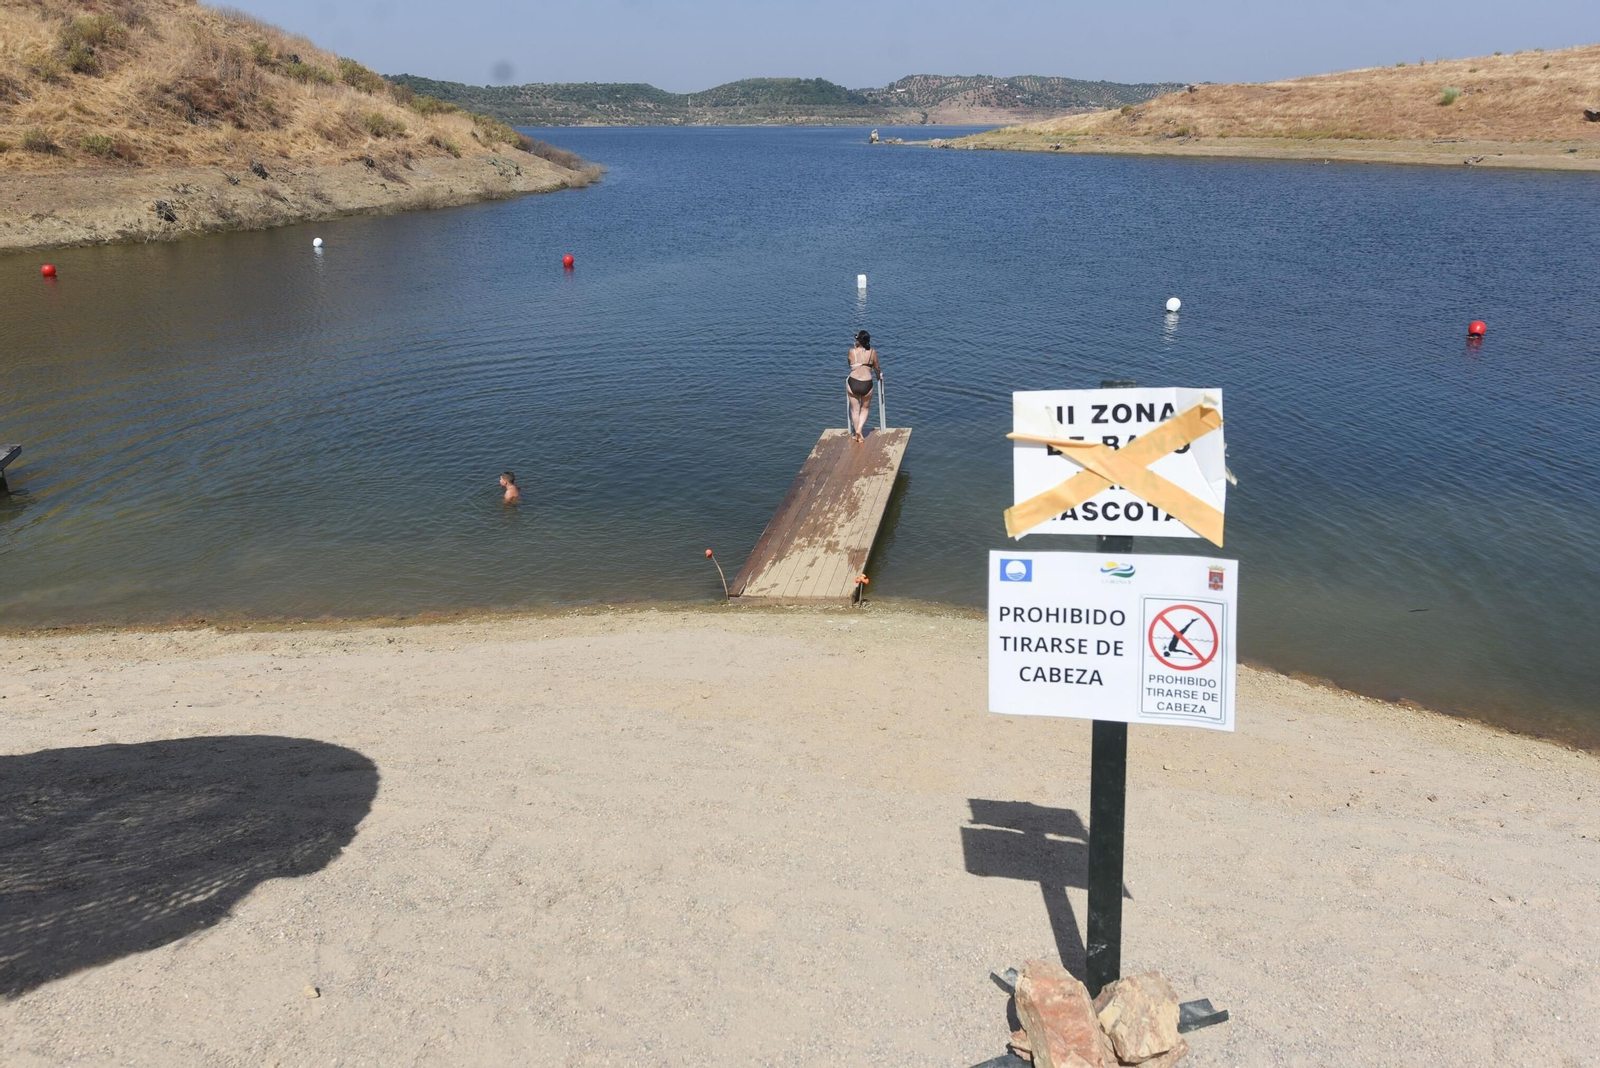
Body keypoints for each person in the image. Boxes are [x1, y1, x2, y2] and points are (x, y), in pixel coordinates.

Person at [845, 330, 883, 443]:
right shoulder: (872, 352)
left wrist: (855, 348)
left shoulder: (852, 352)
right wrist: (878, 377)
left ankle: (857, 434)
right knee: (865, 408)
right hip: (867, 383)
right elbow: (877, 367)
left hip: (853, 382)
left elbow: (850, 364)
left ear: (858, 340)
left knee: (855, 410)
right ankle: (859, 430)